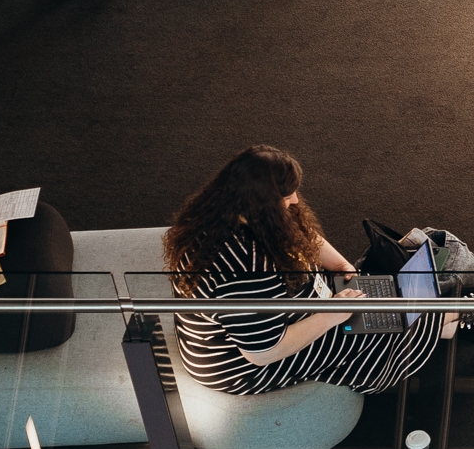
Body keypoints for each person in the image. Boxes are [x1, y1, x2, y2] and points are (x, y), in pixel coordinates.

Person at [165, 145, 451, 397]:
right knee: (391, 322)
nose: (295, 201)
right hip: (242, 363)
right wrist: (330, 315)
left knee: (381, 310)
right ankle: (460, 317)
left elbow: (300, 234)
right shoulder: (248, 269)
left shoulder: (223, 212)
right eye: (287, 196)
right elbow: (263, 353)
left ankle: (453, 320)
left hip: (273, 318)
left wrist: (341, 267)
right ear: (263, 205)